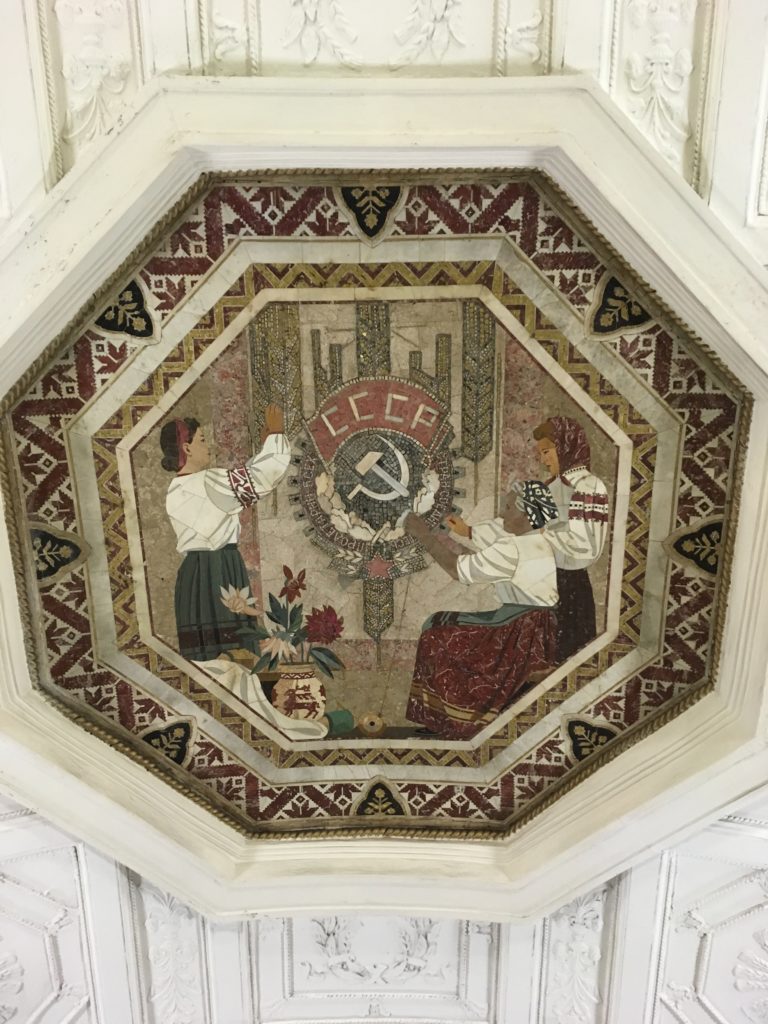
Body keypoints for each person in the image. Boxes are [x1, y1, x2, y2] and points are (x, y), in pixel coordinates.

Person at [402, 486, 559, 740]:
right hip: (532, 626)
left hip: (515, 632)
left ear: (527, 514)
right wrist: (459, 534)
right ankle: (450, 718)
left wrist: (424, 536)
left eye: (508, 508)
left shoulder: (514, 547)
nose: (502, 514)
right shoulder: (536, 541)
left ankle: (456, 721)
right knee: (440, 623)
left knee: (436, 632)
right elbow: (488, 552)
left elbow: (457, 570)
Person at [161, 403, 290, 663]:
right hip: (219, 568)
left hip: (193, 575)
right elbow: (260, 478)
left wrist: (264, 448)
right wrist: (276, 437)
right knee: (236, 652)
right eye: (202, 440)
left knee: (205, 653)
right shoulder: (208, 481)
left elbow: (239, 481)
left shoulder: (175, 489)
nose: (207, 446)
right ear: (187, 448)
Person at [532, 417, 609, 662]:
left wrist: (547, 534)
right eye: (540, 454)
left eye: (546, 452)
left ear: (565, 446)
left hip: (572, 583)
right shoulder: (548, 486)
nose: (543, 460)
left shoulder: (588, 485)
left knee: (572, 653)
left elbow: (587, 547)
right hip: (545, 579)